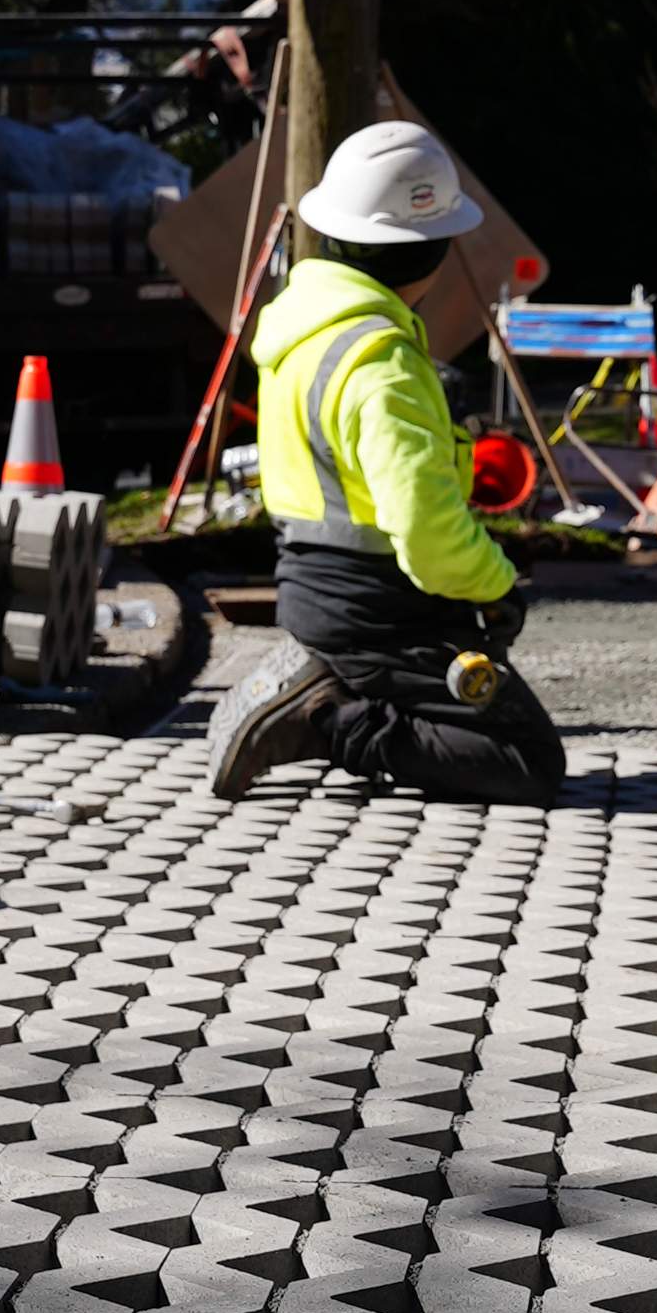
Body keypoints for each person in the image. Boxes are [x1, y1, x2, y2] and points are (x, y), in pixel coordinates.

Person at [205, 119, 562, 804]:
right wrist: (497, 585)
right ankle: (328, 717)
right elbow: (426, 534)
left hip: (313, 589)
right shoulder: (385, 362)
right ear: (433, 249)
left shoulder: (303, 330)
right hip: (382, 608)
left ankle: (332, 681)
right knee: (526, 761)